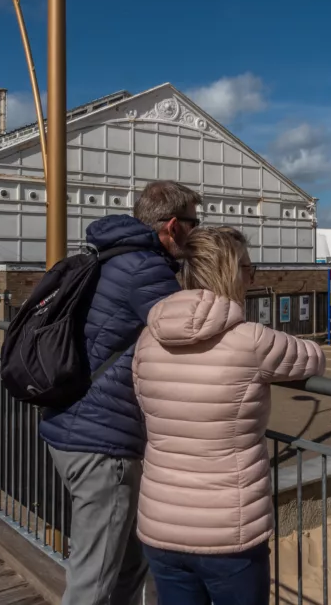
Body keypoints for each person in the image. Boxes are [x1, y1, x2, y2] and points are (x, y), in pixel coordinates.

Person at [132, 227, 326, 605]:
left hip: (161, 524)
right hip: (228, 532)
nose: (251, 277)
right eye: (249, 268)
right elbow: (313, 359)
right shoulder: (251, 339)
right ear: (231, 271)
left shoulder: (148, 337)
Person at [39, 180, 201, 605]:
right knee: (93, 579)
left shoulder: (108, 254)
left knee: (128, 561)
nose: (197, 232)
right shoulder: (146, 268)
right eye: (194, 223)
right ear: (171, 226)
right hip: (102, 443)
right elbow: (187, 335)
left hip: (75, 425)